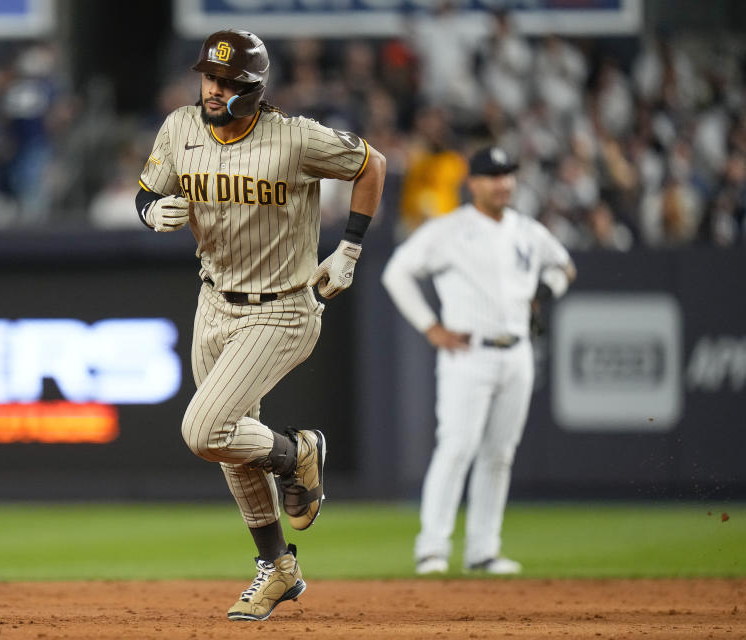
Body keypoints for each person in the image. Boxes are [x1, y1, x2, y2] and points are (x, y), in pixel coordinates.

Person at [136, 29, 385, 619]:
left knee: (205, 431)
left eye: (227, 81)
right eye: (209, 77)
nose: (214, 89)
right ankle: (278, 568)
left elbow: (371, 163)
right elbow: (147, 192)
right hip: (214, 301)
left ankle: (297, 452)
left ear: (253, 85)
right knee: (229, 445)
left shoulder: (295, 138)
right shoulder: (179, 128)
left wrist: (349, 249)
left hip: (283, 306)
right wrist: (151, 212)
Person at [381, 146, 575, 575]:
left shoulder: (527, 230)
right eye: (492, 175)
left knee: (500, 454)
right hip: (468, 352)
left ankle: (483, 550)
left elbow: (564, 267)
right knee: (457, 447)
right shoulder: (450, 229)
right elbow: (396, 272)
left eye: (507, 174)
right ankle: (432, 548)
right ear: (473, 184)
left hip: (518, 352)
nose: (502, 182)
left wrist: (543, 295)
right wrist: (431, 326)